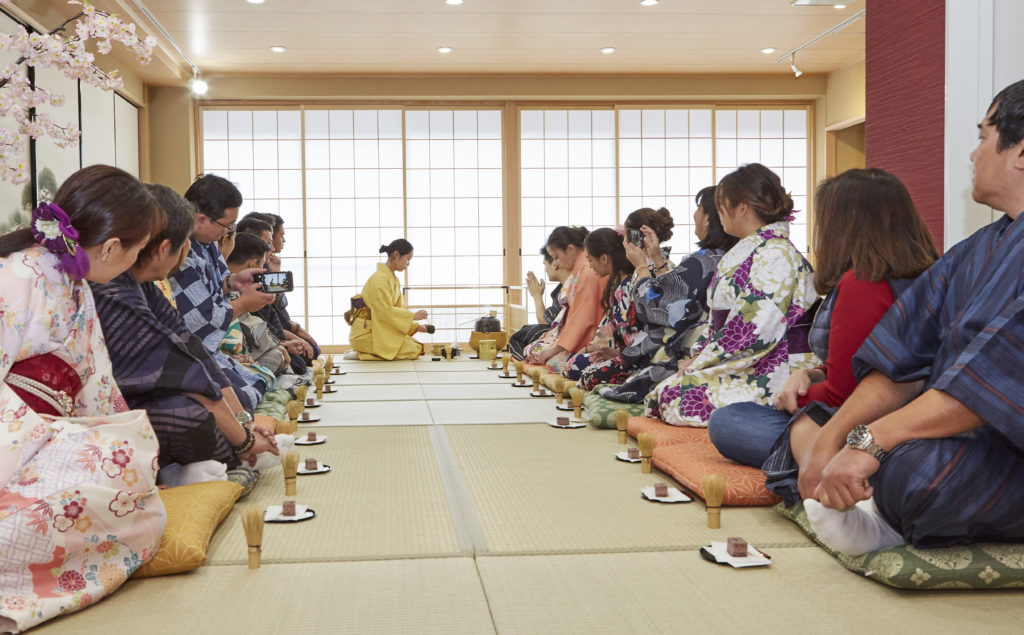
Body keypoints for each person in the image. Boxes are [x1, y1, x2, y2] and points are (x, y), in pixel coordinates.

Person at [788, 80, 1024, 555]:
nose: (974, 155)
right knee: (828, 439)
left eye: (983, 137)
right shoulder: (975, 249)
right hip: (953, 432)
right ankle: (874, 505)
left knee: (917, 475)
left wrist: (871, 442)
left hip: (1002, 442)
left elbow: (994, 379)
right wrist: (836, 439)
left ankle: (881, 513)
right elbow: (900, 359)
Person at [0, 165, 167, 632]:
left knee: (131, 473)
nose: (134, 263)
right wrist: (44, 435)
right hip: (17, 441)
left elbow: (95, 376)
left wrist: (120, 442)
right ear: (112, 247)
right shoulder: (13, 278)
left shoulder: (74, 283)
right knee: (112, 488)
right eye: (136, 252)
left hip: (51, 432)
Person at [706, 169, 938, 470]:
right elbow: (857, 365)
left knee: (728, 420)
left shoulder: (863, 283)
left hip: (858, 423)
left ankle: (819, 461)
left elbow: (841, 395)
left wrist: (789, 395)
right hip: (896, 414)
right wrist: (810, 374)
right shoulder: (929, 274)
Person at [92, 185, 279, 488]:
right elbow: (180, 362)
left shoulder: (142, 282)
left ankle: (203, 463)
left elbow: (191, 347)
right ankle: (206, 463)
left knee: (223, 399)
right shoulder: (110, 285)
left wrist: (244, 421)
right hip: (102, 406)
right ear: (164, 247)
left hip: (156, 385)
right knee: (192, 418)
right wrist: (243, 439)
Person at [646, 163, 819, 426]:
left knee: (675, 397)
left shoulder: (776, 254)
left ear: (742, 207)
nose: (719, 214)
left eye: (721, 205)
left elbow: (752, 329)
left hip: (775, 362)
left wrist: (701, 361)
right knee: (667, 390)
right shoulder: (751, 250)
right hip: (745, 355)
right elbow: (720, 323)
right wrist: (698, 356)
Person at [602, 190, 738, 403]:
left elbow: (656, 307)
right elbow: (675, 297)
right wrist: (656, 259)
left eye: (699, 209)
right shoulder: (721, 256)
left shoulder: (705, 259)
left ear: (711, 217)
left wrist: (641, 268)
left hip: (687, 352)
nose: (694, 215)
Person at [170, 174, 274, 411]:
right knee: (242, 399)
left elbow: (216, 284)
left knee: (261, 381)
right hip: (189, 355)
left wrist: (234, 282)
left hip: (210, 350)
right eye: (227, 225)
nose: (228, 232)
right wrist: (244, 304)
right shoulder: (180, 254)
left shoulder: (206, 244)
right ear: (201, 220)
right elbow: (200, 319)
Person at [563, 227, 639, 389]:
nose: (590, 265)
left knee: (577, 367)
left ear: (604, 258)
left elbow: (585, 318)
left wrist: (618, 353)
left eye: (591, 260)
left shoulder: (628, 286)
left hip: (634, 359)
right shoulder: (617, 283)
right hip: (619, 351)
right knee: (573, 362)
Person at [525, 226, 607, 372]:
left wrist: (557, 347)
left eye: (556, 257)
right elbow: (574, 316)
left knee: (555, 362)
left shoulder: (588, 272)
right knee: (534, 347)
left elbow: (583, 318)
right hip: (579, 334)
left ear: (570, 249)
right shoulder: (580, 272)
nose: (556, 263)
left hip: (595, 336)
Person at [347, 239, 429, 360]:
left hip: (378, 329)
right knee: (412, 350)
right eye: (408, 259)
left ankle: (368, 352)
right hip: (366, 333)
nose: (408, 263)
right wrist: (412, 316)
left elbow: (397, 311)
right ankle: (362, 354)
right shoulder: (378, 279)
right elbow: (385, 312)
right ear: (396, 254)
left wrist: (416, 326)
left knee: (416, 347)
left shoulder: (394, 279)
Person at [507, 247, 571, 360]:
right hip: (559, 334)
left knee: (526, 336)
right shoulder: (565, 286)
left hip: (566, 337)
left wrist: (537, 296)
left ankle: (524, 357)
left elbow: (547, 322)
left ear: (555, 263)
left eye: (545, 264)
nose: (545, 270)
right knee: (527, 331)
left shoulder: (572, 286)